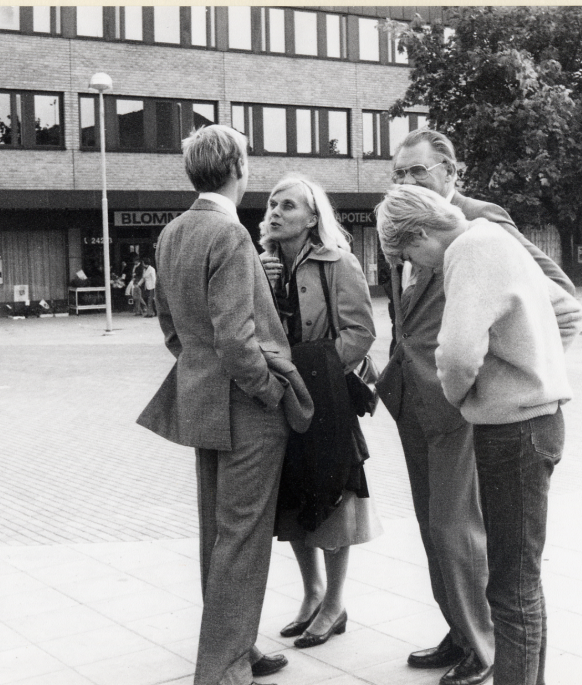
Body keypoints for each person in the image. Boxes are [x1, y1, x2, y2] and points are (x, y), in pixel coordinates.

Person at [377, 128, 580, 685]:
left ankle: (482, 645)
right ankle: (461, 629)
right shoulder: (411, 225)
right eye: (399, 175)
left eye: (418, 172)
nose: (408, 183)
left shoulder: (480, 224)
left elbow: (557, 299)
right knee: (438, 533)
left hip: (476, 411)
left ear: (450, 172)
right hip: (420, 402)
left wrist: (518, 375)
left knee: (470, 544)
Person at [136, 125, 313, 685]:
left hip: (202, 405)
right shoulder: (230, 234)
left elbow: (171, 327)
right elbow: (238, 339)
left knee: (218, 534)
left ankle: (239, 645)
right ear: (239, 167)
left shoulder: (172, 233)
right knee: (243, 538)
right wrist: (271, 391)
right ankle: (223, 667)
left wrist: (199, 370)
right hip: (246, 410)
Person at [257, 174, 382, 649]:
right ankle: (311, 594)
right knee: (291, 497)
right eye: (271, 204)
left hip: (324, 397)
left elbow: (360, 331)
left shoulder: (339, 262)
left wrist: (317, 372)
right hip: (280, 396)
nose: (275, 211)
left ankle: (335, 602)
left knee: (334, 493)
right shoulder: (261, 265)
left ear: (312, 217)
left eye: (288, 205)